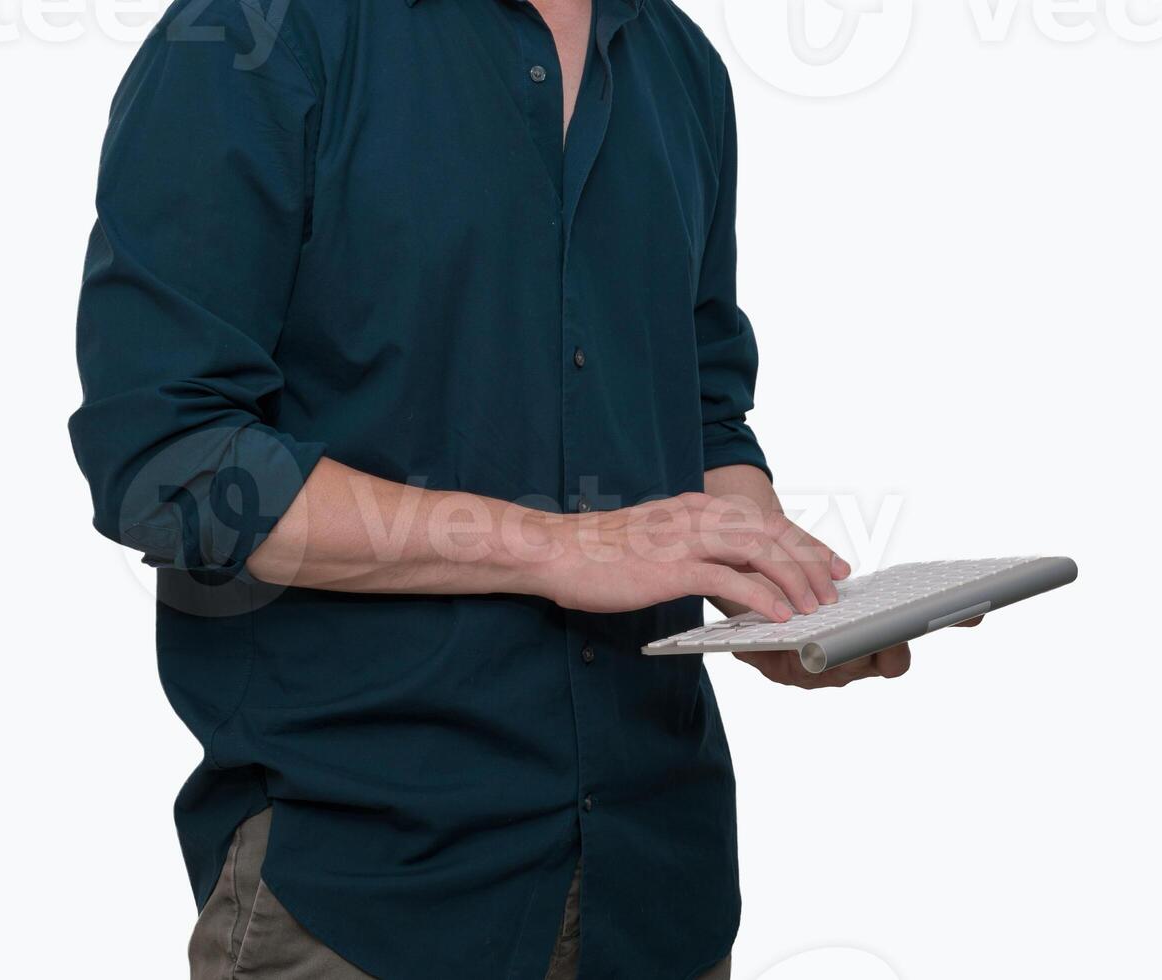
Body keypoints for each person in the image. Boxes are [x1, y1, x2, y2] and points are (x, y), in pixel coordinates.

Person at [65, 0, 938, 975]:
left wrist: (773, 587)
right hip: (364, 888)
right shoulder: (258, 31)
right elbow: (170, 460)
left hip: (657, 882)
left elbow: (700, 409)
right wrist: (555, 547)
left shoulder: (681, 63)